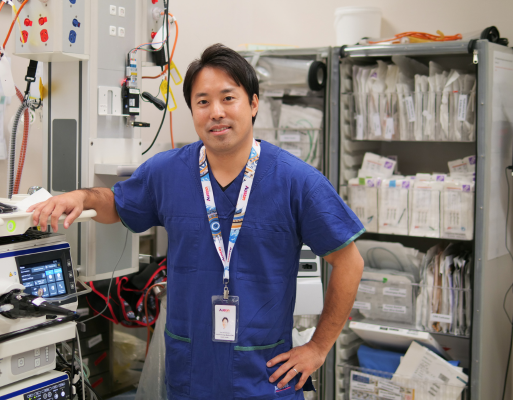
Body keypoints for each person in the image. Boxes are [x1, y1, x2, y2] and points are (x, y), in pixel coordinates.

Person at [29, 43, 365, 400]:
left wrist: (318, 347)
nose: (215, 112)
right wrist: (81, 197)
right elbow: (118, 204)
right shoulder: (167, 171)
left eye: (228, 98)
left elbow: (349, 262)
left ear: (253, 104)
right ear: (192, 111)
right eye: (203, 102)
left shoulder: (297, 182)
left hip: (265, 376)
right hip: (191, 374)